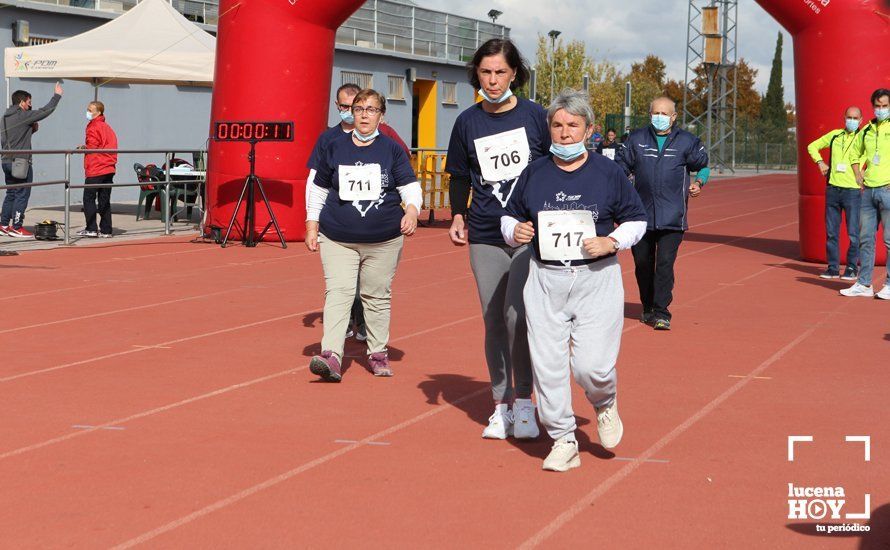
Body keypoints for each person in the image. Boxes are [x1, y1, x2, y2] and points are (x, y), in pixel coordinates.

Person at [501, 89, 647, 471]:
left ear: (589, 129)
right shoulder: (534, 172)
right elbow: (509, 216)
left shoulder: (608, 172)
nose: (564, 133)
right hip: (545, 278)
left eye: (573, 125)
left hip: (595, 279)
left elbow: (637, 219)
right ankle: (563, 438)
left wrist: (611, 240)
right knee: (548, 365)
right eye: (557, 125)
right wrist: (514, 231)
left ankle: (604, 401)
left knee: (590, 367)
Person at [445, 38, 550, 440]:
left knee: (516, 316)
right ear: (477, 74)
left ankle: (526, 402)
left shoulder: (536, 117)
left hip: (528, 232)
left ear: (514, 74)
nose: (492, 80)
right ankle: (500, 405)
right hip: (486, 232)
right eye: (485, 72)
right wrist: (457, 214)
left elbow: (553, 167)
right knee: (492, 319)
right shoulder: (467, 122)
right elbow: (458, 174)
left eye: (500, 72)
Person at [305, 89, 422, 381]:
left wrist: (411, 211)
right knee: (339, 294)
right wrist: (311, 223)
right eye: (359, 108)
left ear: (381, 115)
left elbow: (410, 186)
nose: (364, 114)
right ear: (351, 113)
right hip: (338, 237)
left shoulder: (392, 150)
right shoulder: (334, 146)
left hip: (383, 238)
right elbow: (318, 187)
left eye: (371, 109)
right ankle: (331, 355)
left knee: (376, 295)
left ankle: (377, 353)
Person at [616, 96, 709, 330]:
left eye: (664, 114)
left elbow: (703, 165)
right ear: (649, 115)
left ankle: (661, 312)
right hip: (640, 217)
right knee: (642, 264)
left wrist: (699, 182)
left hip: (672, 217)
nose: (659, 117)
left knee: (665, 265)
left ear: (674, 117)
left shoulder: (687, 141)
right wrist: (623, 185)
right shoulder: (636, 139)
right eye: (655, 113)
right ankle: (647, 306)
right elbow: (619, 168)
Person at [842, 88, 890, 299]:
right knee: (866, 239)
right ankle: (864, 283)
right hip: (868, 192)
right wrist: (857, 174)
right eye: (877, 106)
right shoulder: (868, 129)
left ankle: (889, 284)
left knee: (889, 241)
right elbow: (854, 153)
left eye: (885, 106)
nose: (881, 110)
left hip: (888, 190)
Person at [806, 106, 863, 280]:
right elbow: (812, 146)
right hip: (833, 190)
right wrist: (820, 162)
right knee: (831, 232)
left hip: (852, 191)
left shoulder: (864, 138)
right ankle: (832, 268)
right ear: (844, 118)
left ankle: (852, 268)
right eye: (849, 117)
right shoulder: (834, 135)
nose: (851, 121)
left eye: (855, 118)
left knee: (853, 233)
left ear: (861, 120)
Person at [0, 82, 63, 238]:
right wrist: (57, 96)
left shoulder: (5, 117)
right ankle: (17, 226)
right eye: (29, 102)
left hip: (6, 161)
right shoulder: (23, 115)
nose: (30, 106)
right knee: (22, 193)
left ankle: (3, 225)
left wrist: (30, 131)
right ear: (22, 102)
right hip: (21, 161)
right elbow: (45, 111)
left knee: (11, 193)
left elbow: (13, 138)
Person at [76, 101, 118, 238]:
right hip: (109, 167)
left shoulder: (93, 126)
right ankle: (106, 230)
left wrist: (84, 148)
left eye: (90, 109)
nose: (87, 111)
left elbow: (93, 145)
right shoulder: (107, 127)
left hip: (96, 167)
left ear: (98, 112)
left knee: (88, 198)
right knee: (104, 199)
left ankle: (91, 228)